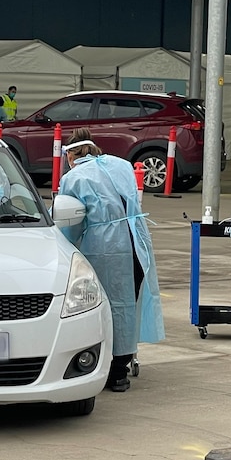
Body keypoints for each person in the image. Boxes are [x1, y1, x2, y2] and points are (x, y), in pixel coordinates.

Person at [58, 127, 164, 391]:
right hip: (136, 241)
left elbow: (70, 224)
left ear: (71, 155)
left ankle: (108, 368)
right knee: (127, 303)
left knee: (103, 304)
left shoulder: (74, 177)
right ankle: (122, 365)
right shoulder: (121, 165)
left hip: (105, 245)